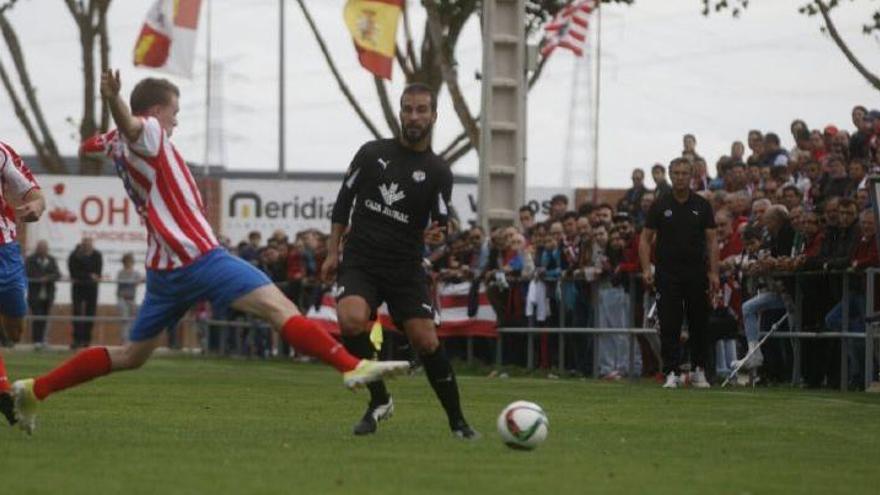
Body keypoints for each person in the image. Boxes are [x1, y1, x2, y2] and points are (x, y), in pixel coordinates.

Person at [9, 70, 407, 435]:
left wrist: (105, 137)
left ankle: (33, 390)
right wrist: (115, 102)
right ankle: (352, 367)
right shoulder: (148, 130)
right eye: (174, 112)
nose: (176, 121)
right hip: (198, 255)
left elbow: (88, 145)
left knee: (131, 355)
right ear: (155, 111)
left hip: (165, 269)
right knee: (279, 309)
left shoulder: (119, 142)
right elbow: (131, 124)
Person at [322, 83, 477, 439]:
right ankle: (379, 400)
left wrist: (440, 232)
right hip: (361, 259)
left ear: (434, 116)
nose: (413, 116)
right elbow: (343, 203)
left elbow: (440, 221)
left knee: (425, 340)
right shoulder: (371, 153)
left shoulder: (438, 171)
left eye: (421, 110)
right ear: (399, 113)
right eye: (408, 109)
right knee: (351, 320)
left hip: (405, 266)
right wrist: (333, 252)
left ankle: (458, 422)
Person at [640, 158, 719, 389]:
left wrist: (714, 272)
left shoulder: (702, 205)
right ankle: (671, 371)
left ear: (692, 175)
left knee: (699, 322)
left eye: (685, 173)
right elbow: (645, 239)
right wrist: (646, 268)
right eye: (676, 173)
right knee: (669, 324)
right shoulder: (660, 204)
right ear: (670, 175)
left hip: (696, 272)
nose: (680, 177)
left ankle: (698, 370)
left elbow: (712, 241)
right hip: (667, 274)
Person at [0, 141, 45, 426]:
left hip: (5, 250)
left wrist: (37, 205)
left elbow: (33, 192)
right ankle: (4, 391)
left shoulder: (1, 152)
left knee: (16, 330)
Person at [68, 236, 103, 348]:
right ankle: (77, 340)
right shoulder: (74, 256)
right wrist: (89, 275)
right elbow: (74, 273)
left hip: (92, 288)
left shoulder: (97, 255)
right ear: (82, 245)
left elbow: (98, 273)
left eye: (89, 244)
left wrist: (87, 276)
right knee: (77, 313)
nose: (87, 246)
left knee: (90, 314)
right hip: (78, 288)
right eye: (85, 244)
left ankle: (86, 341)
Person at [25, 240, 60, 348]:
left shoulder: (51, 260)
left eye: (44, 248)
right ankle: (37, 340)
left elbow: (57, 274)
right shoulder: (31, 260)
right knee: (37, 316)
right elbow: (28, 272)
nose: (42, 250)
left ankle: (43, 340)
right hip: (35, 294)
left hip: (48, 294)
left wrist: (48, 278)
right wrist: (40, 278)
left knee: (45, 317)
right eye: (40, 248)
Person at [116, 252, 143, 343]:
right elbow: (122, 284)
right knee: (125, 321)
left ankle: (131, 340)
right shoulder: (121, 273)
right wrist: (133, 282)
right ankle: (124, 341)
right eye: (126, 262)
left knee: (132, 321)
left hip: (132, 299)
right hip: (122, 299)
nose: (128, 263)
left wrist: (138, 281)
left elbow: (143, 278)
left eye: (130, 261)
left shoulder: (136, 273)